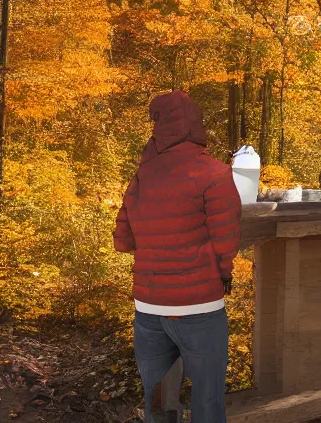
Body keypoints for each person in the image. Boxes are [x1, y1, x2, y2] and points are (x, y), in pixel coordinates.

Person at [113, 89, 242, 423]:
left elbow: (123, 239)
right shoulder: (214, 173)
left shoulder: (142, 174)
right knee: (208, 399)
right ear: (195, 125)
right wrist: (223, 273)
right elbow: (226, 240)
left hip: (149, 308)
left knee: (157, 400)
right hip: (199, 308)